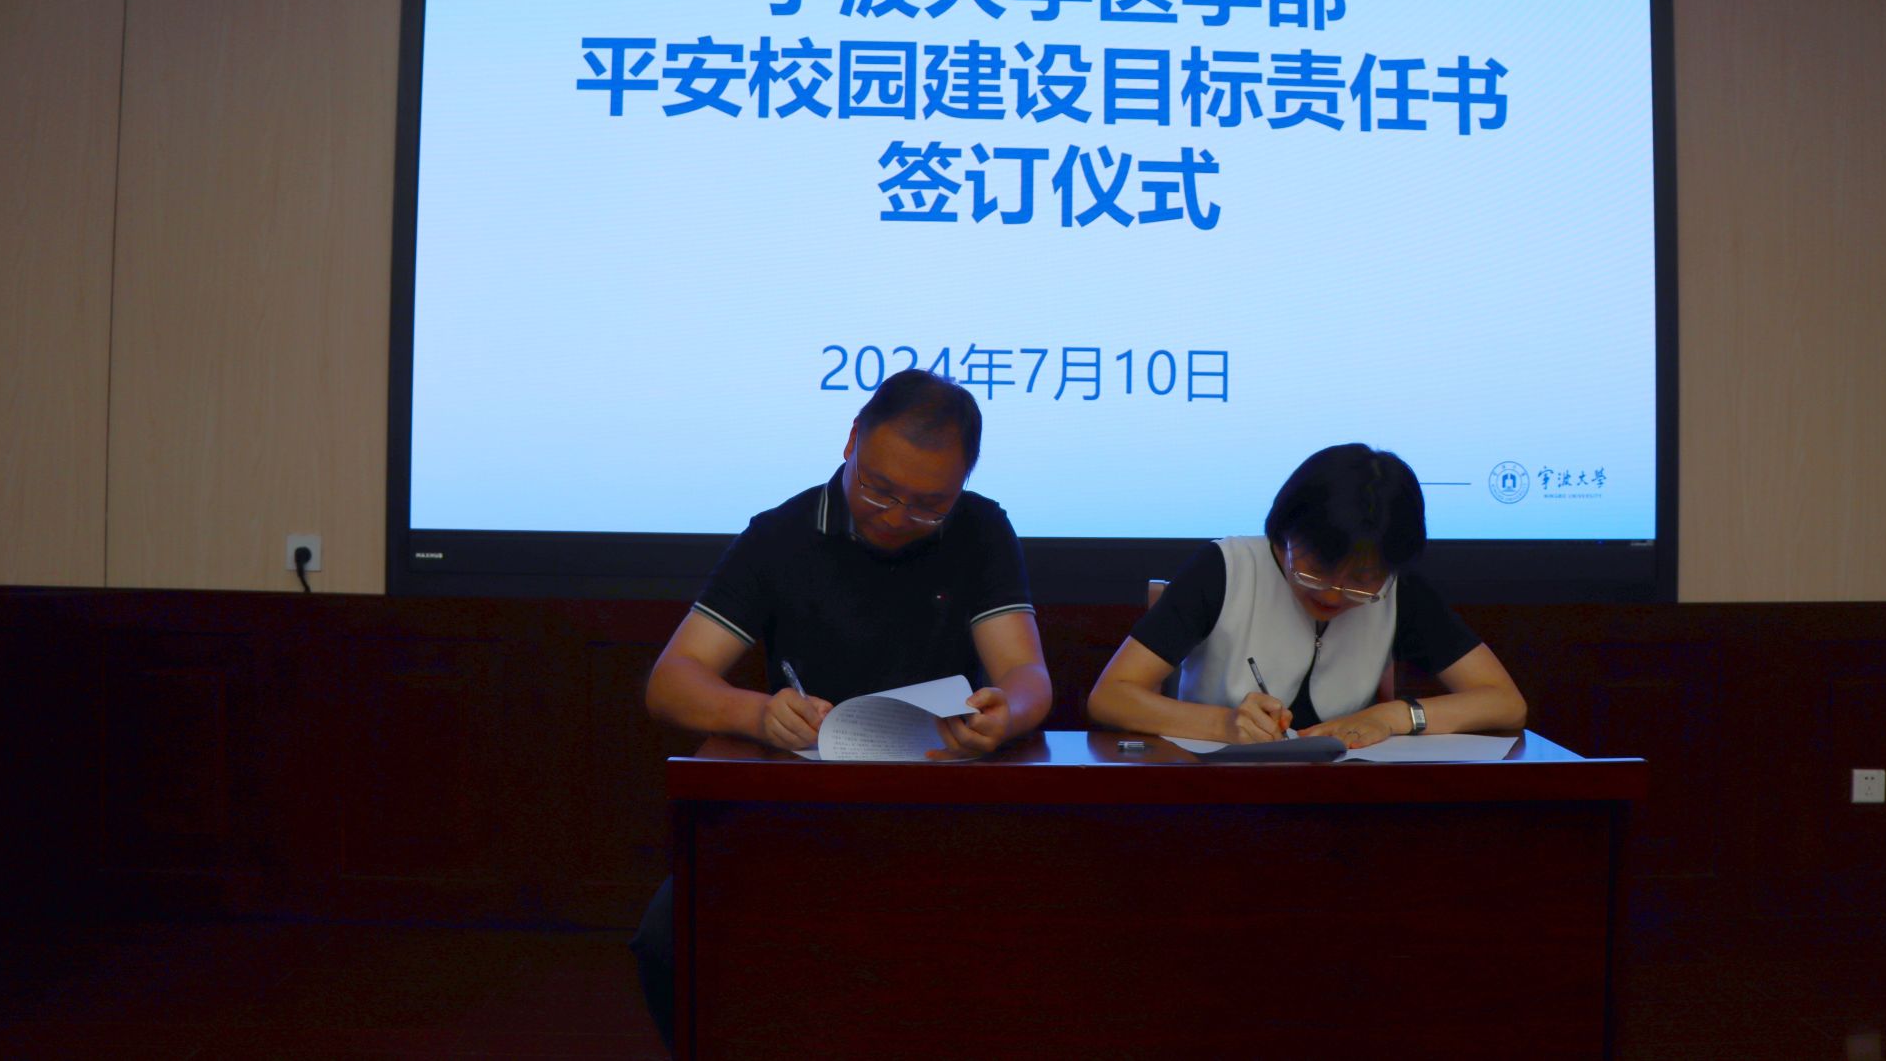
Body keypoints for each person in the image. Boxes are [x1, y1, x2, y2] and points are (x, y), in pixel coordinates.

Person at [629, 368, 1052, 1045]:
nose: (897, 516)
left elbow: (1026, 673)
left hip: (938, 803)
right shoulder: (781, 535)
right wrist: (758, 713)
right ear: (852, 439)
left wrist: (1011, 712)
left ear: (963, 483)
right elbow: (672, 680)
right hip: (801, 805)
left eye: (928, 504)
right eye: (879, 489)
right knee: (668, 939)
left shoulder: (979, 529)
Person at [1086, 443, 1525, 748]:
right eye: (1316, 571)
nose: (1333, 596)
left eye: (1361, 581)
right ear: (1283, 533)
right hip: (1215, 796)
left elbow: (1505, 702)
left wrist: (1391, 717)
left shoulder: (1398, 591)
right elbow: (1110, 696)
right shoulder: (1226, 568)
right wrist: (1223, 724)